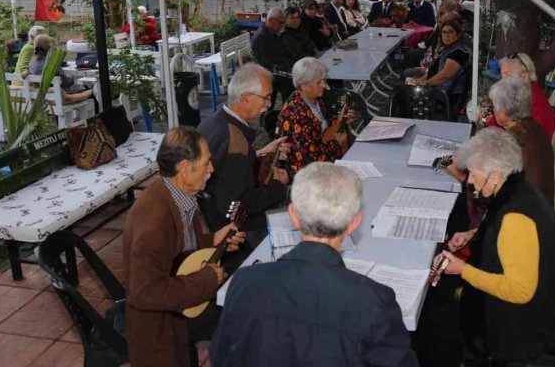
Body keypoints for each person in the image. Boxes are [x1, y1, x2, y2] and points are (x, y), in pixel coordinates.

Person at [210, 162, 418, 367]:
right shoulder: (373, 302)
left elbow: (222, 356)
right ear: (353, 223)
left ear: (293, 215)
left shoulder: (244, 282)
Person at [433, 128, 555, 365]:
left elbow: (520, 291)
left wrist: (462, 269)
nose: (471, 182)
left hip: (526, 329)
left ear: (495, 175)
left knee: (438, 324)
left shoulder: (515, 219)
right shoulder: (519, 188)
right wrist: (473, 234)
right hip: (543, 308)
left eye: (475, 175)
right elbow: (502, 229)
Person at [123, 127, 246, 367]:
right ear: (184, 168)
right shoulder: (154, 222)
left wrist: (212, 242)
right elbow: (143, 293)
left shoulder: (177, 194)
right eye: (206, 163)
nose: (211, 170)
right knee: (243, 313)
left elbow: (178, 254)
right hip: (162, 326)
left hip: (178, 309)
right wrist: (208, 280)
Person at [197, 64, 290, 241]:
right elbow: (237, 205)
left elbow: (224, 167)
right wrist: (279, 185)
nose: (270, 105)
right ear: (246, 98)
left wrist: (260, 154)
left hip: (212, 216)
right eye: (267, 97)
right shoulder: (236, 144)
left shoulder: (213, 121)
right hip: (240, 231)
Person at [489, 77, 555, 202]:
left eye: (494, 107)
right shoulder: (535, 128)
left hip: (528, 214)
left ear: (503, 113)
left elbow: (492, 189)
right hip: (542, 207)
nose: (493, 111)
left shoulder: (513, 143)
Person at [277, 57, 348, 173]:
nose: (324, 85)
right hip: (308, 174)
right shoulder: (297, 114)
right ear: (303, 85)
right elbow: (310, 159)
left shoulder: (314, 97)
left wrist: (340, 121)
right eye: (319, 82)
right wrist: (338, 144)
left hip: (324, 159)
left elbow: (324, 128)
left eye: (324, 80)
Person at [486, 53, 555, 139]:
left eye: (508, 74)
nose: (503, 80)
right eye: (502, 76)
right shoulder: (520, 95)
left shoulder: (536, 105)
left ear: (525, 76)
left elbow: (524, 140)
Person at [411, 19, 470, 105]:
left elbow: (445, 75)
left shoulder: (459, 52)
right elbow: (434, 69)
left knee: (407, 93)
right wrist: (422, 79)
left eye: (450, 32)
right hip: (438, 88)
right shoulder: (447, 49)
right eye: (444, 32)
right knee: (407, 83)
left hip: (446, 94)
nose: (446, 35)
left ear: (457, 35)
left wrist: (426, 82)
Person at [251, 8, 293, 101]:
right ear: (270, 20)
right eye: (280, 22)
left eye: (283, 22)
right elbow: (265, 63)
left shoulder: (271, 32)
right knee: (292, 79)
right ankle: (289, 107)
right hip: (267, 73)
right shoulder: (262, 36)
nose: (282, 26)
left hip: (275, 67)